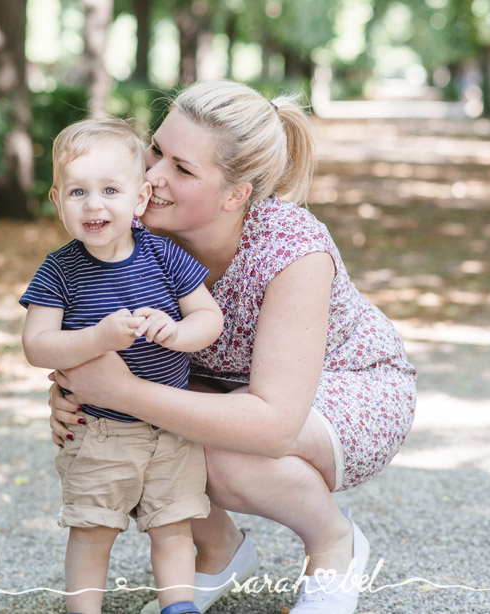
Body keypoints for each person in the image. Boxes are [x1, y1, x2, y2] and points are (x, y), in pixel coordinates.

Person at [47, 81, 417, 614]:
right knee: (115, 434)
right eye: (156, 150)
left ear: (235, 195)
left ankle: (333, 541)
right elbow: (87, 338)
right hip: (226, 384)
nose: (152, 176)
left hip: (345, 386)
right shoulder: (134, 232)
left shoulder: (291, 251)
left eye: (183, 168)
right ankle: (219, 552)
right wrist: (72, 393)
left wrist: (121, 392)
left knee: (215, 451)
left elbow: (272, 425)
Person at [21, 117, 224, 614]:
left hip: (170, 428)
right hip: (99, 432)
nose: (94, 204)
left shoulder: (163, 255)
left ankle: (179, 606)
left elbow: (209, 316)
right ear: (57, 201)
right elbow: (37, 346)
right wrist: (96, 338)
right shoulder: (59, 270)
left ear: (138, 200)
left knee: (174, 529)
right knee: (93, 532)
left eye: (110, 189)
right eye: (77, 192)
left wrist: (176, 333)